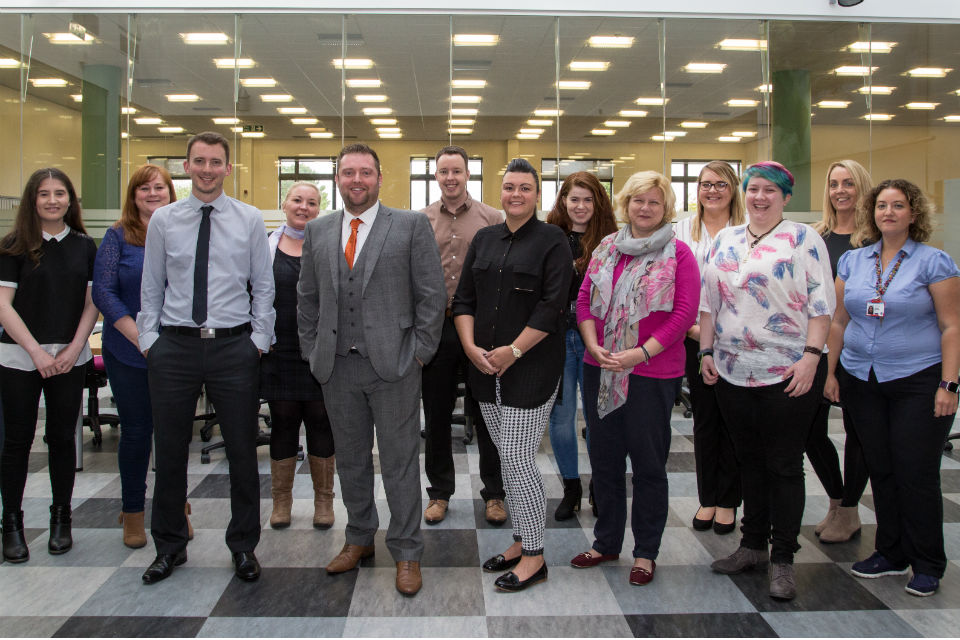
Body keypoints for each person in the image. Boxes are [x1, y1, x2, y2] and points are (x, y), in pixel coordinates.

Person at [297, 143, 445, 597]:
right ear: (337, 180)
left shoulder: (410, 225)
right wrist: (311, 350)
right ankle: (359, 537)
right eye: (347, 173)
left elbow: (431, 296)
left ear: (380, 178)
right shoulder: (319, 230)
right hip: (337, 368)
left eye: (365, 172)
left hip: (395, 366)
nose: (356, 180)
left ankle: (406, 551)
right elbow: (307, 298)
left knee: (400, 463)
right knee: (352, 462)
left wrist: (418, 353)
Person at [137, 131, 275, 584]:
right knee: (171, 452)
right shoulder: (164, 220)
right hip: (173, 347)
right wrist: (149, 339)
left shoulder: (249, 218)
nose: (208, 169)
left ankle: (242, 546)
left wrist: (258, 339)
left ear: (228, 168)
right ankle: (170, 546)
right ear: (187, 166)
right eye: (200, 161)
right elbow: (152, 286)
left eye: (216, 162)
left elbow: (263, 284)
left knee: (241, 452)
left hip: (233, 346)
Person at [700, 161, 835, 601]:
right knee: (748, 461)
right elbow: (709, 304)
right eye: (753, 189)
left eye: (769, 192)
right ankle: (752, 545)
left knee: (782, 464)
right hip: (733, 371)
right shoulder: (726, 238)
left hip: (790, 372)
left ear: (785, 198)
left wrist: (812, 358)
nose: (760, 197)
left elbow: (821, 307)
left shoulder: (803, 239)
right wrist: (705, 351)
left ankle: (783, 559)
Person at [825, 178, 959, 597]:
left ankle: (927, 562)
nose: (888, 213)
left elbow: (952, 325)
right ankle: (891, 552)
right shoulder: (854, 261)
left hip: (917, 379)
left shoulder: (934, 262)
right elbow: (838, 322)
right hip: (862, 378)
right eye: (882, 206)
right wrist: (830, 373)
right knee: (880, 468)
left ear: (913, 214)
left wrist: (949, 384)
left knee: (915, 471)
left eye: (898, 206)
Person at [569, 171, 698, 586]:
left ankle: (646, 552)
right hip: (601, 369)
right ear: (626, 203)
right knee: (604, 462)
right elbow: (585, 300)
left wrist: (639, 353)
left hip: (652, 373)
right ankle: (606, 541)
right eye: (638, 200)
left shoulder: (679, 255)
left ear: (666, 209)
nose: (645, 208)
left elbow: (682, 316)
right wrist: (592, 345)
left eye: (654, 203)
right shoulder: (606, 247)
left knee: (647, 466)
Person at [453, 158, 572, 592]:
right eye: (509, 187)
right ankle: (521, 542)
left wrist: (515, 350)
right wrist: (469, 348)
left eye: (525, 187)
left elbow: (553, 305)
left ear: (536, 195)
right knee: (507, 458)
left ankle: (536, 557)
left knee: (519, 460)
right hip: (484, 365)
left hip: (532, 367)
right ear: (500, 192)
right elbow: (464, 299)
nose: (516, 194)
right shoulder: (484, 238)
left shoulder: (552, 241)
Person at [92, 164, 194, 549]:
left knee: (174, 436)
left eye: (160, 188)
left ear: (171, 192)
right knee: (137, 433)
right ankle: (132, 510)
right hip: (129, 350)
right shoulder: (118, 236)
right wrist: (140, 336)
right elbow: (103, 292)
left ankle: (174, 508)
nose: (153, 194)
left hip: (178, 351)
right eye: (144, 189)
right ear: (133, 195)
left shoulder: (184, 231)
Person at [0, 168, 98, 563]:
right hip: (20, 358)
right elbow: (3, 306)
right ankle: (11, 524)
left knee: (61, 439)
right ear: (32, 200)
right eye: (44, 194)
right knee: (16, 442)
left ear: (70, 201)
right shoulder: (12, 246)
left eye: (61, 193)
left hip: (69, 357)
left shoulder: (84, 245)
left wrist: (75, 348)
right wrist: (37, 352)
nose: (53, 200)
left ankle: (61, 519)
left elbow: (93, 302)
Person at [421, 145, 507, 526]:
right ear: (436, 176)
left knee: (487, 413)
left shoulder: (493, 219)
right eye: (443, 172)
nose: (450, 178)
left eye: (457, 171)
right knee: (436, 414)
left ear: (467, 174)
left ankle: (494, 493)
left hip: (481, 328)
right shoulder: (419, 220)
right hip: (437, 329)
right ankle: (439, 493)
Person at [675, 161, 745, 535]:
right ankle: (708, 497)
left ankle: (729, 501)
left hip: (738, 342)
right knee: (705, 420)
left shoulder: (749, 230)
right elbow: (671, 282)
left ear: (732, 188)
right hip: (692, 338)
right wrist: (690, 327)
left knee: (734, 421)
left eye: (720, 184)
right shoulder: (683, 230)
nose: (712, 191)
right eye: (705, 184)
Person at [262, 182, 335, 530]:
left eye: (312, 202)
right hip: (280, 350)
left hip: (321, 350)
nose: (304, 207)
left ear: (319, 208)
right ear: (284, 203)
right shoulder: (266, 246)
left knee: (322, 422)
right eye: (297, 200)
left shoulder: (328, 245)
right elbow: (254, 294)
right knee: (284, 422)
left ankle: (324, 501)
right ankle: (282, 502)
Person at [544, 171, 617, 521]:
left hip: (596, 343)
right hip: (557, 342)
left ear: (598, 202)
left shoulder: (614, 240)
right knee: (560, 417)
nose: (581, 206)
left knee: (596, 416)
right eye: (574, 199)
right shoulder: (549, 237)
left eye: (588, 199)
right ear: (563, 201)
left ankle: (601, 487)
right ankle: (571, 488)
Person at [806, 159, 872, 544]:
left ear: (861, 188)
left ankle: (849, 511)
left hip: (858, 350)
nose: (840, 190)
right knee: (811, 431)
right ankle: (837, 499)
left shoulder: (873, 240)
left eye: (848, 183)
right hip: (816, 348)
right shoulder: (816, 236)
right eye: (833, 184)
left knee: (857, 432)